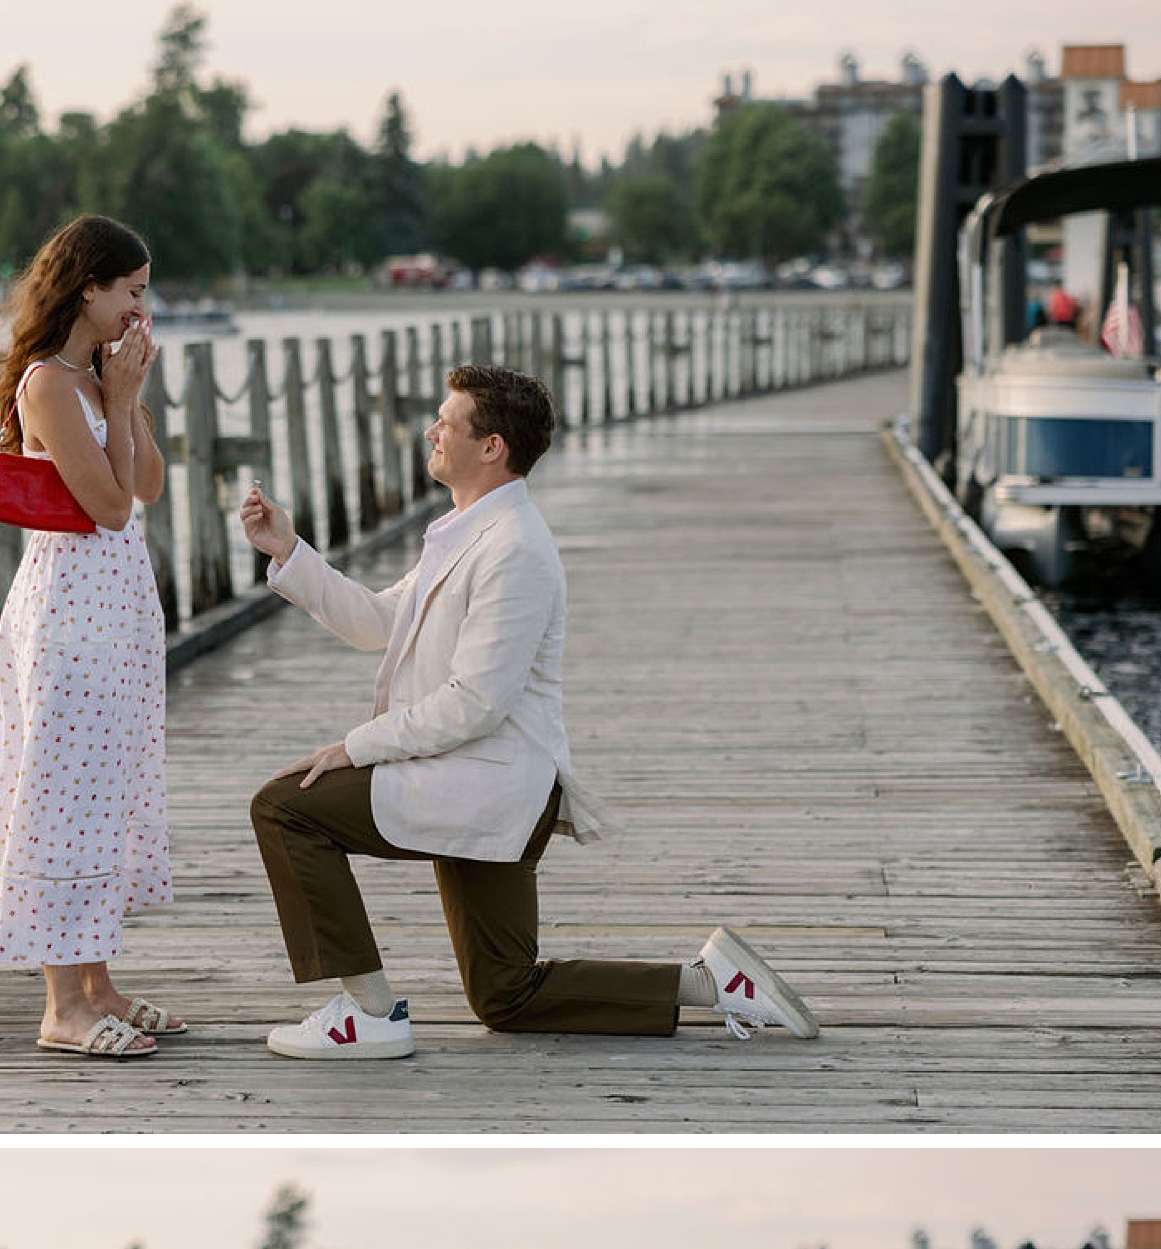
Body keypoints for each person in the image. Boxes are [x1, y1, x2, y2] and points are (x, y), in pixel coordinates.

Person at [239, 365, 819, 1062]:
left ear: (491, 448)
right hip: (480, 784)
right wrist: (290, 554)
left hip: (488, 782)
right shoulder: (469, 531)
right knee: (506, 995)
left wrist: (354, 746)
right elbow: (379, 622)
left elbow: (475, 703)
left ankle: (369, 1013)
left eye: (447, 423)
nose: (432, 431)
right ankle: (710, 984)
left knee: (284, 807)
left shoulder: (515, 549)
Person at [0, 215, 183, 1062]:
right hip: (70, 610)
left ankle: (100, 986)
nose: (140, 305)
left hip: (119, 603)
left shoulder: (97, 379)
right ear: (88, 287)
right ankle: (62, 1004)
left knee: (105, 789)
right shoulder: (50, 385)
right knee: (62, 791)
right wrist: (118, 402)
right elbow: (110, 507)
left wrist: (125, 400)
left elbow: (151, 483)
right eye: (131, 289)